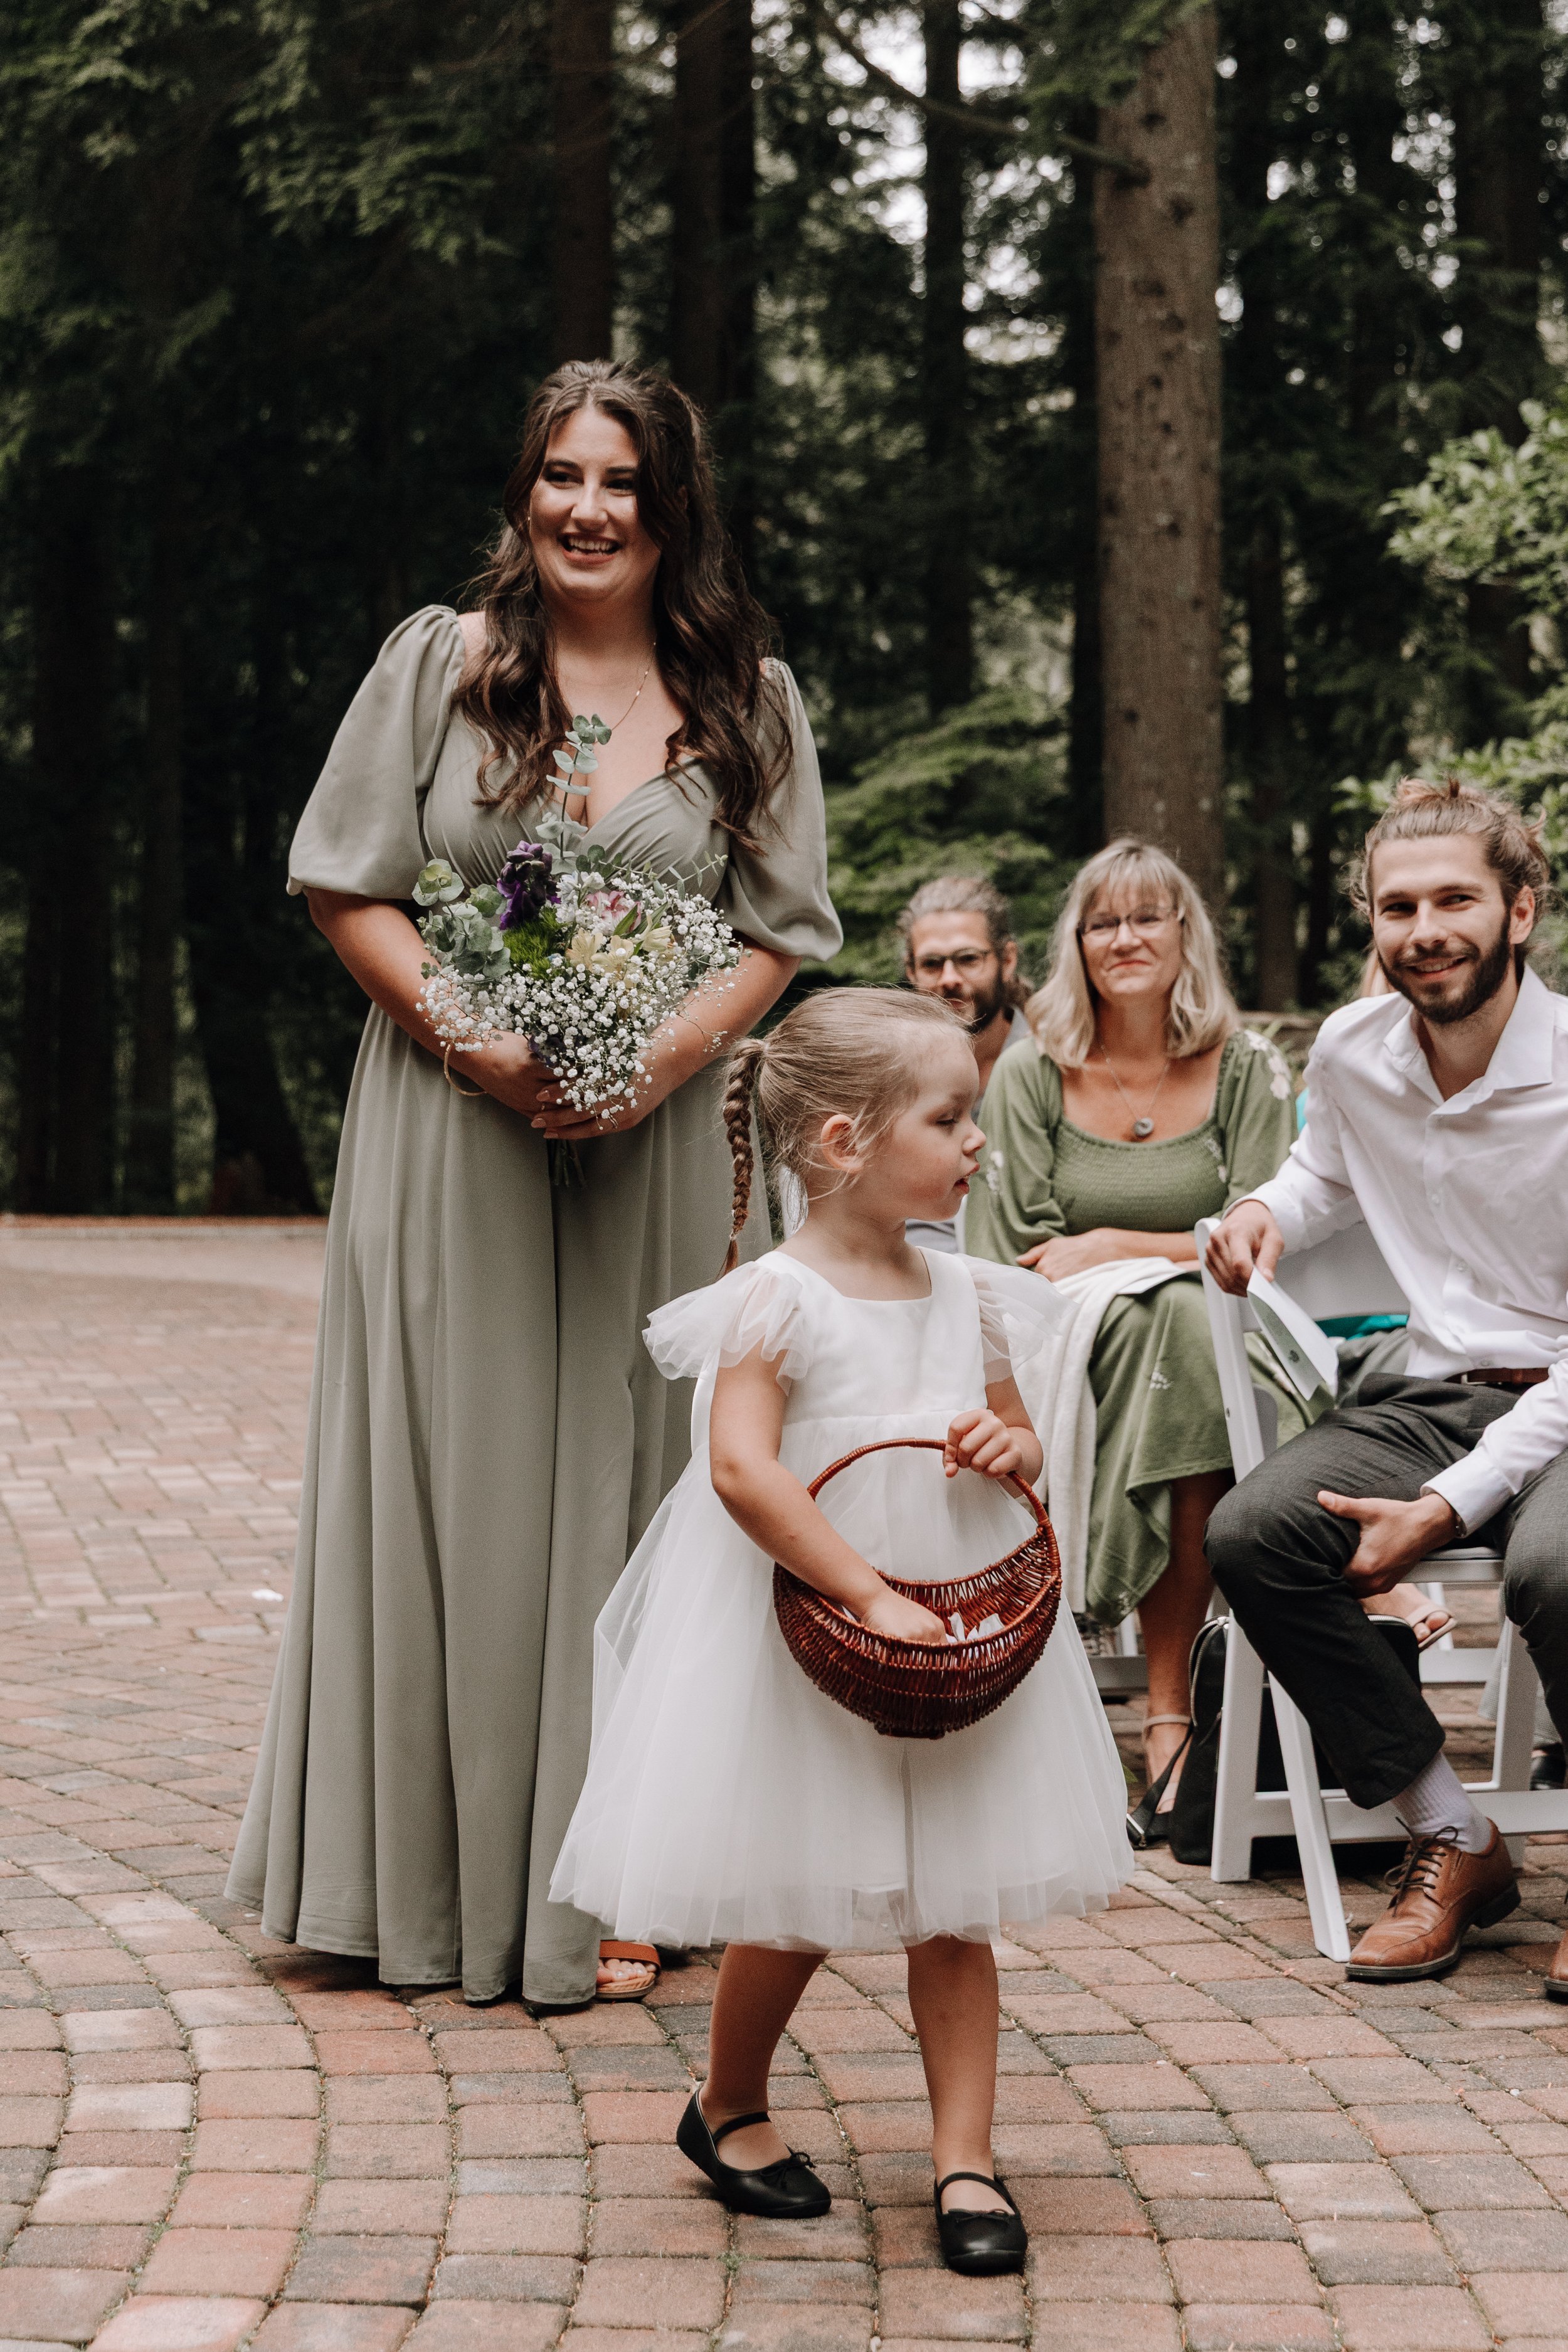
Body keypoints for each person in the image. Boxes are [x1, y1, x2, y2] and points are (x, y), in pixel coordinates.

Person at [225, 361, 842, 2011]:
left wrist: (653, 1062)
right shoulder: (443, 664)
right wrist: (472, 1030)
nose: (584, 508)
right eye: (559, 475)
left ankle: (630, 1872)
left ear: (668, 509)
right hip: (450, 1129)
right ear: (525, 492)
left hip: (649, 1149)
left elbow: (783, 928)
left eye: (619, 482)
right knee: (460, 1477)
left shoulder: (744, 702)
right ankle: (413, 1884)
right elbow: (341, 882)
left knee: (642, 1488)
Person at [551, 988, 1131, 2270]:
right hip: (807, 1620)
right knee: (794, 1890)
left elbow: (1017, 1435)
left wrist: (1008, 1443)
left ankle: (965, 2161)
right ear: (839, 1144)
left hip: (956, 1620)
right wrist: (864, 1591)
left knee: (953, 1900)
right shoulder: (772, 1303)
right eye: (949, 1117)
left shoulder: (965, 1293)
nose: (977, 1140)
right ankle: (730, 2105)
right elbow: (743, 1472)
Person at [1205, 778, 1568, 1990]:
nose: (1425, 930)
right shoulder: (1356, 1051)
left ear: (1521, 910)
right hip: (1434, 1389)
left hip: (1564, 1397)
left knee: (1555, 1571)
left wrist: (1449, 1507)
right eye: (1398, 906)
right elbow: (1324, 1172)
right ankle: (1453, 1836)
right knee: (1255, 1534)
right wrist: (1265, 1207)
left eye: (1456, 899)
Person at [964, 840, 1305, 1817]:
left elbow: (1265, 1227)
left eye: (1148, 916)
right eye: (1103, 921)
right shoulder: (1035, 1072)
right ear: (1076, 944)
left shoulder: (1246, 1066)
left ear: (1185, 932)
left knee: (1192, 1327)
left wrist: (1120, 1239)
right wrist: (1156, 1262)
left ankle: (1164, 1710)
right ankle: (1171, 1710)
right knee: (1178, 1329)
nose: (1125, 938)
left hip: (1233, 1338)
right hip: (1068, 1339)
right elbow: (1018, 1249)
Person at [899, 876, 1031, 1252]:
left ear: (1007, 960)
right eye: (932, 964)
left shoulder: (1053, 1060)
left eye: (968, 959)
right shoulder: (896, 1075)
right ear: (912, 973)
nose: (950, 979)